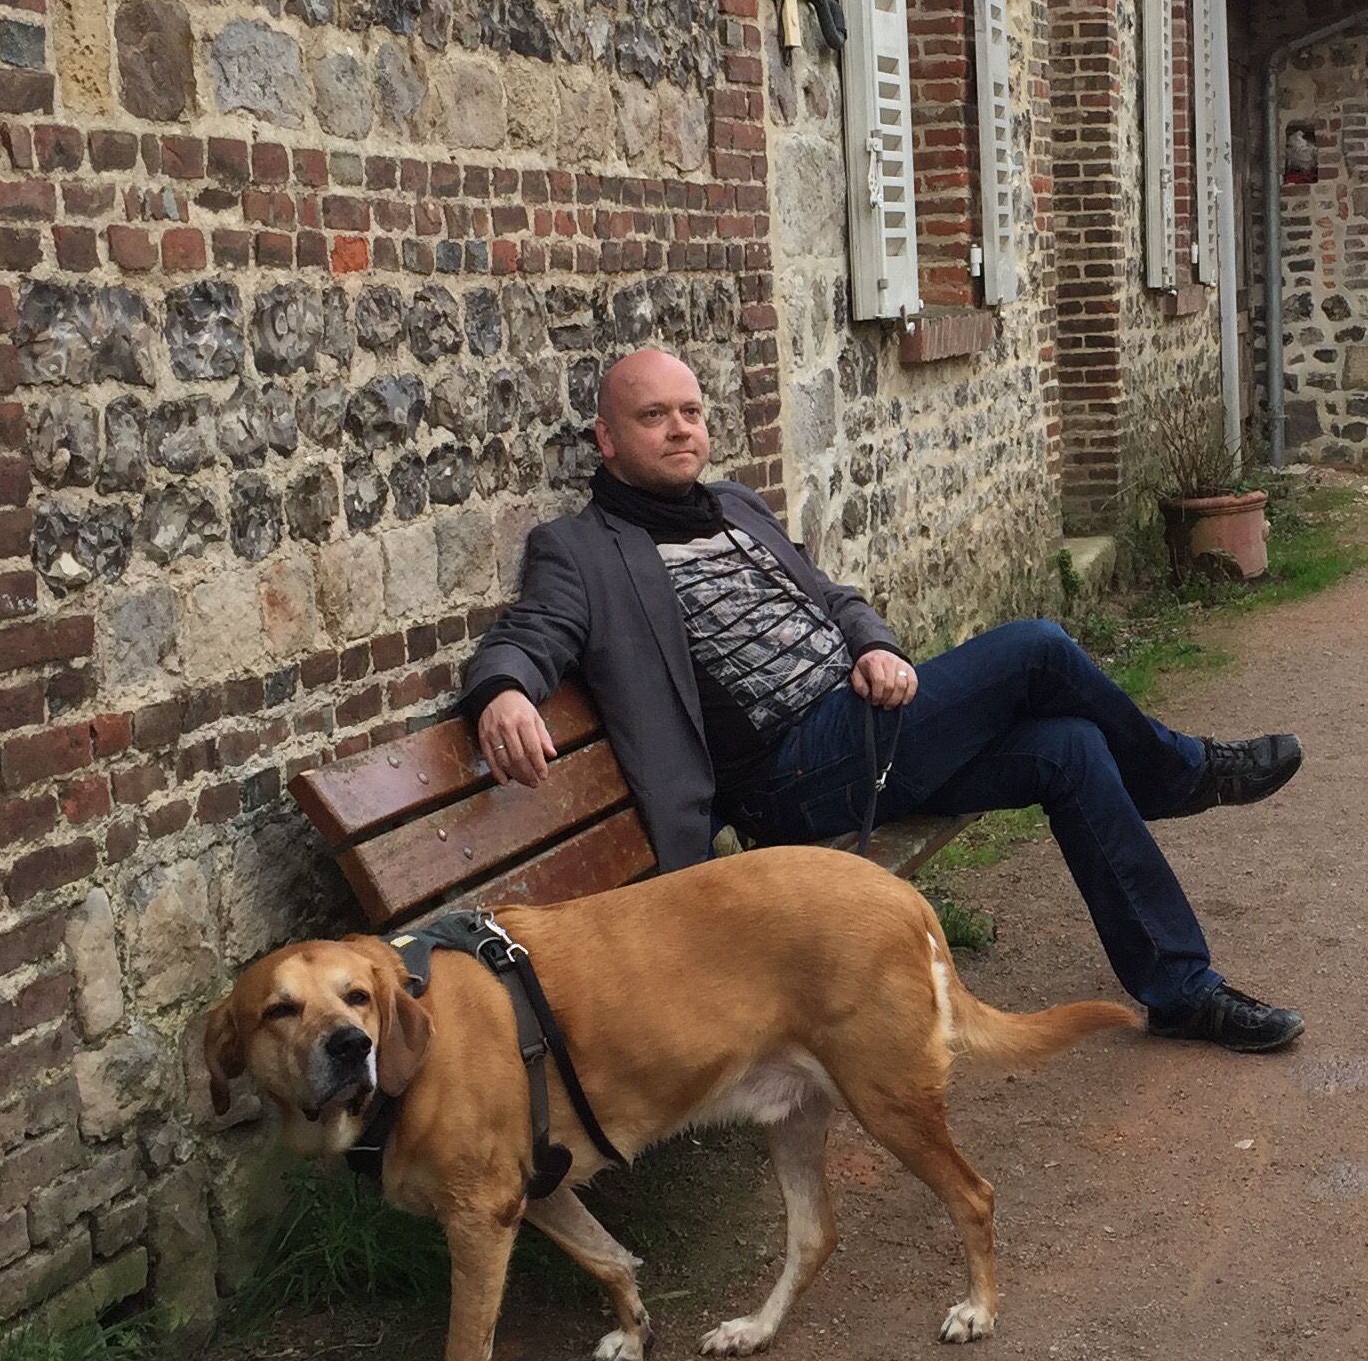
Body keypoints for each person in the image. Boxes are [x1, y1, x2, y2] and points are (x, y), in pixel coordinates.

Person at [461, 349, 1308, 1052]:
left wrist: (876, 645)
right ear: (608, 439)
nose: (681, 428)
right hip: (791, 775)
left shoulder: (737, 507)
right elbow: (530, 634)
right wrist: (503, 692)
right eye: (654, 416)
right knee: (1037, 648)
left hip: (864, 730)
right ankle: (1180, 774)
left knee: (1071, 749)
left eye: (691, 412)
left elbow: (833, 595)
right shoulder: (581, 549)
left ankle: (1182, 990)